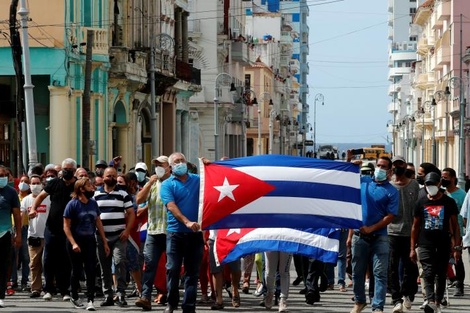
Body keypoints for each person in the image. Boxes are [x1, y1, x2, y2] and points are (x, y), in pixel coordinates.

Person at [347, 152, 398, 313]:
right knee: (357, 272)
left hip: (380, 237)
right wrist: (349, 162)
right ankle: (359, 301)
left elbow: (390, 216)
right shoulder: (364, 182)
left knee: (379, 273)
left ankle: (378, 306)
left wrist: (372, 228)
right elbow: (344, 178)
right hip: (359, 236)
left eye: (384, 167)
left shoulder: (392, 191)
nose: (380, 169)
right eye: (379, 165)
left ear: (390, 171)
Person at [160, 152, 206, 313]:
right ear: (171, 167)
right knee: (172, 269)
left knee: (192, 272)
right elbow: (171, 206)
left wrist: (209, 167)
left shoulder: (198, 180)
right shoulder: (167, 184)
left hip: (195, 234)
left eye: (182, 160)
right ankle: (172, 302)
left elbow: (213, 187)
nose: (180, 163)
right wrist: (186, 221)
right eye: (176, 161)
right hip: (175, 233)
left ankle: (189, 306)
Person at [410, 172, 461, 313]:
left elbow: (455, 226)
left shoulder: (448, 202)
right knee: (428, 272)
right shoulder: (420, 202)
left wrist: (456, 246)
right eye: (427, 184)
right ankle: (430, 300)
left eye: (433, 184)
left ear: (439, 184)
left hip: (443, 243)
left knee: (440, 273)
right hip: (425, 243)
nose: (430, 187)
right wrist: (412, 248)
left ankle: (438, 301)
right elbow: (415, 226)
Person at [29, 158, 78, 301]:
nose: (66, 171)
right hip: (52, 228)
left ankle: (65, 291)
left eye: (69, 169)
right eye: (64, 169)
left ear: (74, 171)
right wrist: (33, 209)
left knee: (66, 260)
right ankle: (48, 289)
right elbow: (41, 196)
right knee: (49, 259)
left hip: (69, 230)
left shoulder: (77, 185)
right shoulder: (54, 183)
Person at [63, 178, 110, 311]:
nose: (92, 188)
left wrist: (104, 241)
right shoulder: (72, 204)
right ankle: (74, 295)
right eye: (89, 186)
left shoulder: (93, 204)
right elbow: (66, 227)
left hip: (89, 240)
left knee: (90, 269)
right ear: (81, 189)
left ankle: (90, 299)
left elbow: (98, 222)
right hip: (75, 241)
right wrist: (73, 243)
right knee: (77, 270)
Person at [94, 166, 135, 307]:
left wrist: (127, 230)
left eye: (113, 176)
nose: (110, 178)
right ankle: (108, 295)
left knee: (119, 263)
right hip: (101, 237)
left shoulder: (123, 194)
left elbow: (131, 213)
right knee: (104, 267)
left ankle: (121, 294)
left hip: (119, 236)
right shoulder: (95, 195)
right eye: (108, 175)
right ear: (103, 177)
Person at [135, 156, 171, 311]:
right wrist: (149, 183)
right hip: (154, 231)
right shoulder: (152, 184)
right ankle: (145, 297)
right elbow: (138, 200)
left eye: (161, 165)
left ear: (169, 167)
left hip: (171, 232)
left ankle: (170, 295)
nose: (158, 168)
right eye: (155, 165)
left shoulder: (173, 183)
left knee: (172, 267)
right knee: (149, 265)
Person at [388, 156, 419, 313]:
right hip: (392, 232)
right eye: (394, 165)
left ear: (405, 165)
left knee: (410, 267)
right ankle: (396, 299)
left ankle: (408, 293)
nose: (397, 167)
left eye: (400, 164)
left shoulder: (414, 185)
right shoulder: (389, 185)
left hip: (411, 232)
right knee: (392, 267)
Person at [20, 174, 51, 298]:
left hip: (47, 235)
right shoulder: (26, 199)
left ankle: (50, 286)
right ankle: (36, 288)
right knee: (34, 264)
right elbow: (22, 215)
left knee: (47, 262)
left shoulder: (48, 198)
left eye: (38, 183)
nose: (35, 185)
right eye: (33, 183)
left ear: (42, 184)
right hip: (33, 235)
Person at [441, 167, 466, 297]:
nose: (443, 179)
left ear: (453, 178)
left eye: (445, 177)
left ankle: (459, 285)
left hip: (458, 232)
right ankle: (451, 279)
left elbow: (465, 214)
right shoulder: (443, 194)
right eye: (442, 177)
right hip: (444, 231)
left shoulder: (462, 195)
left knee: (458, 259)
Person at [0, 165, 22, 308]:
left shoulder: (11, 193)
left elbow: (16, 215)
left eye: (4, 175)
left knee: (3, 266)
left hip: (5, 233)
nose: (2, 178)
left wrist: (18, 234)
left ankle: (1, 295)